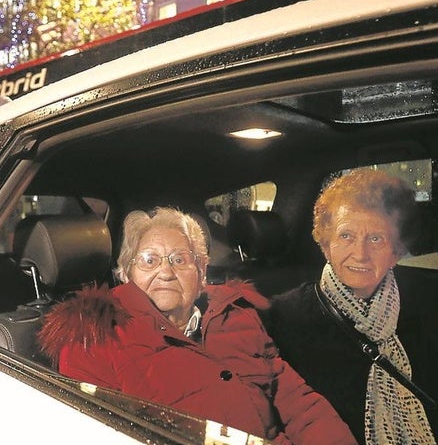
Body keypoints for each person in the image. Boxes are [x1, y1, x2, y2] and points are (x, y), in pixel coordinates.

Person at [38, 207, 356, 444]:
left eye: (180, 259)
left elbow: (298, 402)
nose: (165, 272)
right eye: (149, 259)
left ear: (201, 272)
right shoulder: (93, 339)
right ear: (125, 273)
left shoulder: (236, 316)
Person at [265, 168, 437, 445]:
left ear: (396, 251)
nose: (360, 254)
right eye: (346, 236)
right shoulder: (283, 317)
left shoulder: (426, 303)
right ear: (326, 244)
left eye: (376, 239)